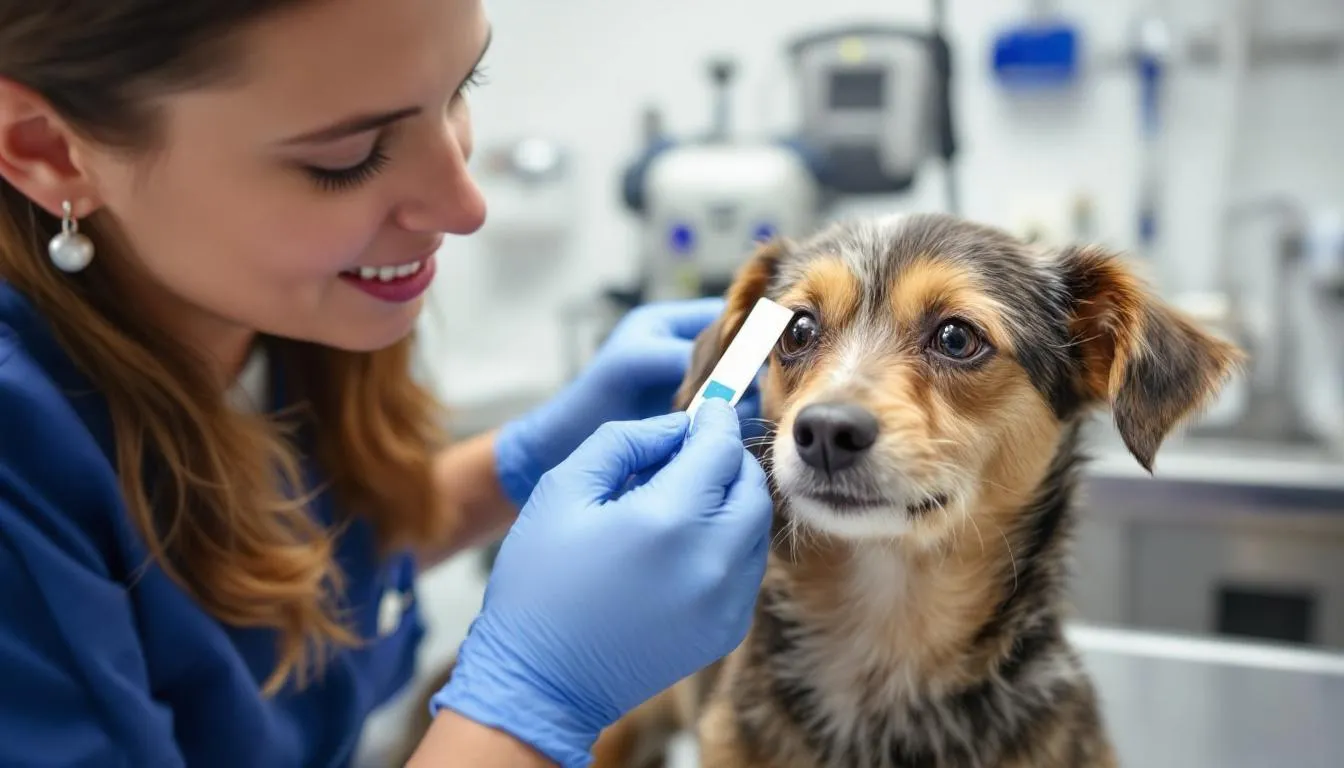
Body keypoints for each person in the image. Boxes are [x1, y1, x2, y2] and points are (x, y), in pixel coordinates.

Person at [0, 2, 774, 767]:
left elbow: (259, 579)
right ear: (50, 150)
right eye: (349, 156)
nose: (465, 207)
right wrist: (535, 701)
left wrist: (521, 464)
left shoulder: (269, 311)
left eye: (463, 86)